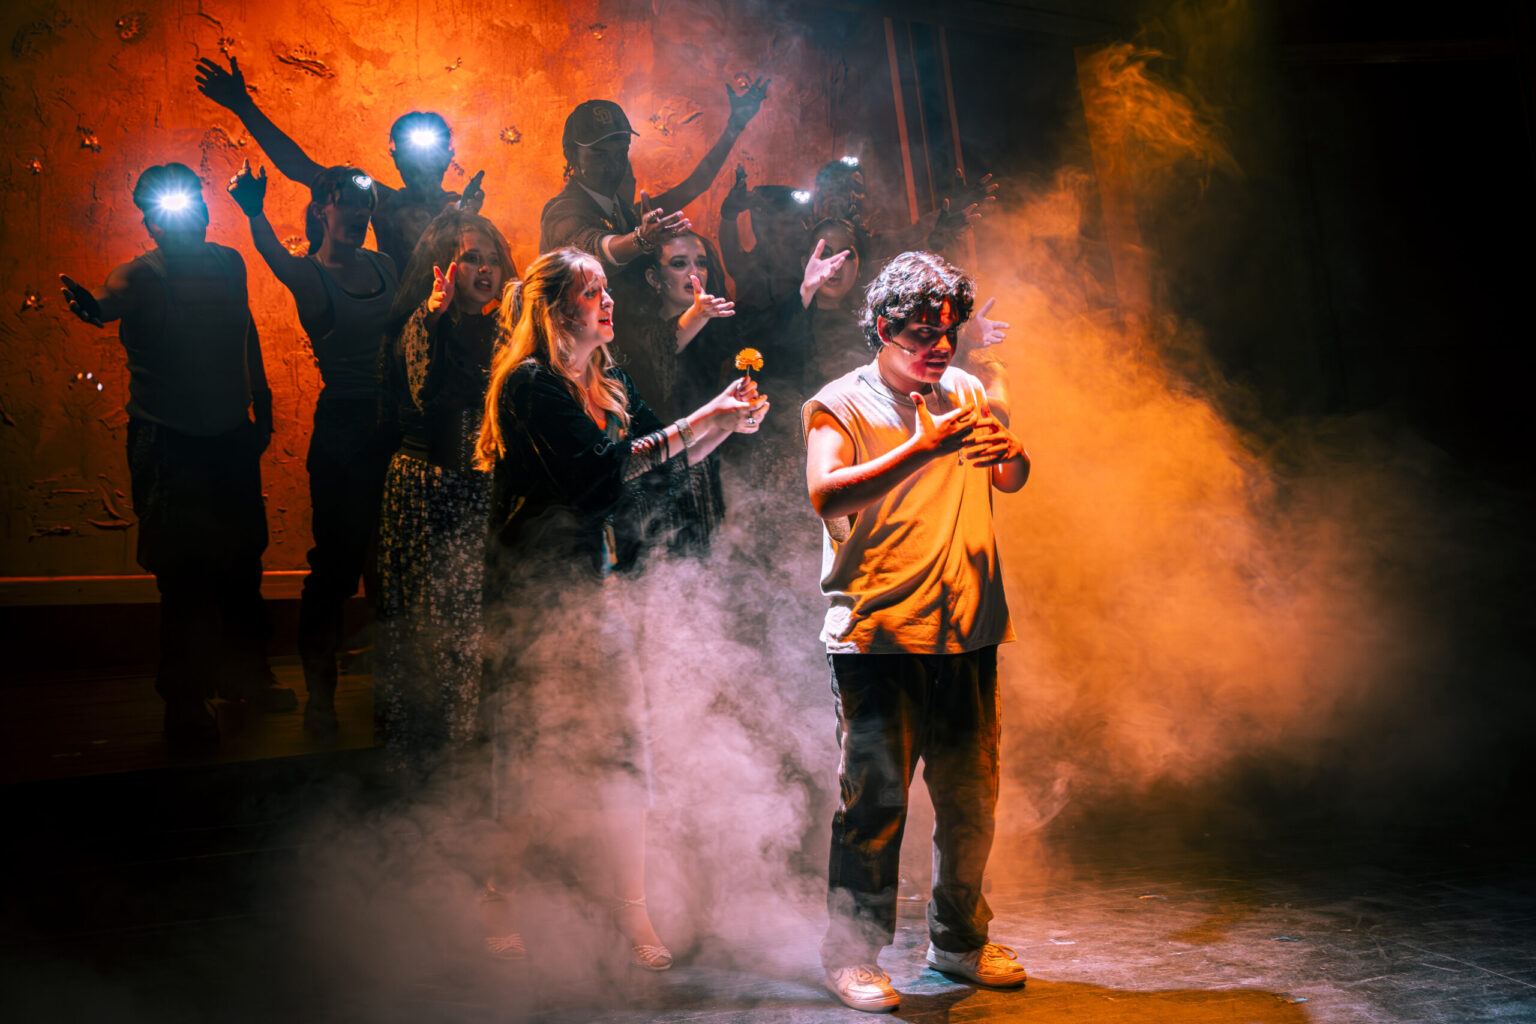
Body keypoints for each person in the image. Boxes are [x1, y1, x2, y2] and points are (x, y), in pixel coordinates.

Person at [475, 247, 767, 971]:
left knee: (625, 752)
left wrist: (726, 423)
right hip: (538, 593)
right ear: (555, 309)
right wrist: (702, 419)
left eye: (607, 290)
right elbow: (602, 475)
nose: (610, 302)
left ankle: (633, 908)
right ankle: (497, 897)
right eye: (592, 291)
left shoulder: (609, 378)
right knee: (533, 755)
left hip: (600, 588)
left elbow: (659, 463)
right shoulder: (529, 385)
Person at [802, 251, 1030, 1012]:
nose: (939, 347)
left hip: (967, 630)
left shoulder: (965, 390)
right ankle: (850, 955)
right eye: (922, 334)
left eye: (948, 333)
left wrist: (1012, 455)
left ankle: (958, 941)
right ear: (881, 328)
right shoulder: (841, 403)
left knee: (970, 804)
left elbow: (1010, 477)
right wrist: (921, 448)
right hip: (880, 637)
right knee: (874, 809)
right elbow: (825, 492)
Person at [59, 163, 292, 745]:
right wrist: (95, 308)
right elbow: (112, 297)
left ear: (205, 212)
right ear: (151, 223)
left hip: (229, 436)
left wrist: (262, 407)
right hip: (169, 443)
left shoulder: (229, 263)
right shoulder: (139, 276)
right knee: (185, 574)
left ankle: (245, 676)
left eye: (192, 205)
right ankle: (185, 701)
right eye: (168, 210)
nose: (186, 218)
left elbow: (246, 333)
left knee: (242, 563)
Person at [226, 160, 399, 733]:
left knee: (391, 561)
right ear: (321, 210)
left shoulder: (384, 265)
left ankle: (393, 697)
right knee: (336, 566)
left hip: (392, 424)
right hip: (345, 429)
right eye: (347, 202)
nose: (360, 213)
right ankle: (320, 698)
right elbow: (272, 256)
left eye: (365, 204)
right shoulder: (310, 275)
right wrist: (254, 211)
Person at [374, 209, 513, 773]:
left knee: (479, 619)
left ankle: (471, 747)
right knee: (429, 618)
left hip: (483, 489)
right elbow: (420, 394)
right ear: (444, 267)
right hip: (427, 488)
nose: (484, 269)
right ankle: (425, 751)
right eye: (470, 258)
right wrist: (432, 318)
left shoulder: (507, 330)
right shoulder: (419, 325)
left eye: (492, 259)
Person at [194, 56, 485, 269]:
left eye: (428, 156)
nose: (420, 165)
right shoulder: (382, 199)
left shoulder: (458, 208)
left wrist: (466, 215)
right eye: (412, 156)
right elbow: (300, 167)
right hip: (398, 323)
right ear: (396, 159)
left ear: (448, 157)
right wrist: (244, 108)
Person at [538, 80, 768, 284]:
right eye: (600, 155)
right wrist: (641, 240)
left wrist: (735, 126)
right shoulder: (563, 213)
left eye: (620, 153)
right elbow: (595, 248)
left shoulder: (628, 214)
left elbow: (696, 185)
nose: (613, 165)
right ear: (571, 155)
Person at [613, 230, 737, 556]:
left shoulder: (715, 328)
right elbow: (663, 348)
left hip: (701, 471)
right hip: (649, 481)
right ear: (654, 278)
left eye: (701, 263)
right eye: (680, 263)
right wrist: (697, 314)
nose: (695, 272)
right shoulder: (630, 333)